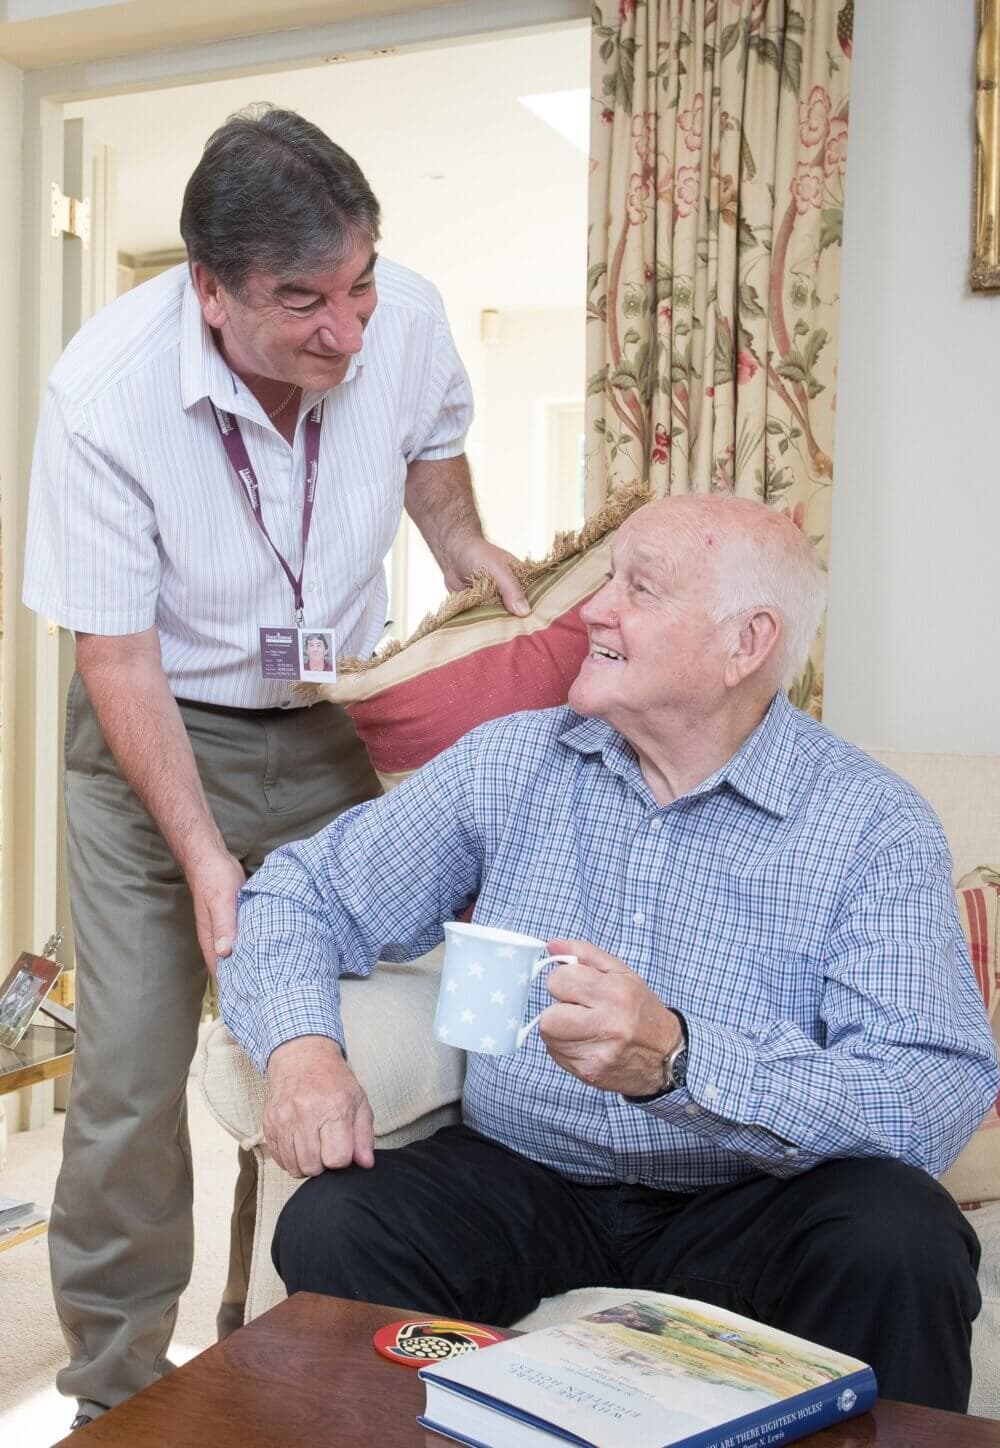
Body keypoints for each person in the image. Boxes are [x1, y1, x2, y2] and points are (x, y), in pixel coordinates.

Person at [219, 493, 999, 1414]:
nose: (594, 609)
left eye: (640, 587)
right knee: (338, 1225)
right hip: (526, 1174)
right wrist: (303, 1049)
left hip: (754, 1194)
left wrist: (681, 1061)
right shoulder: (511, 763)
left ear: (744, 643)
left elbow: (927, 1092)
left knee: (901, 1239)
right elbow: (297, 893)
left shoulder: (869, 824)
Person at [22, 104, 528, 1431]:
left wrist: (470, 557)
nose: (346, 329)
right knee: (130, 1077)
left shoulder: (400, 318)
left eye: (358, 284)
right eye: (304, 300)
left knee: (372, 1027)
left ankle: (327, 1343)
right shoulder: (105, 394)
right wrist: (200, 857)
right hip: (154, 740)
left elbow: (431, 465)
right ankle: (116, 1389)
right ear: (208, 289)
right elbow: (117, 662)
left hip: (329, 721)